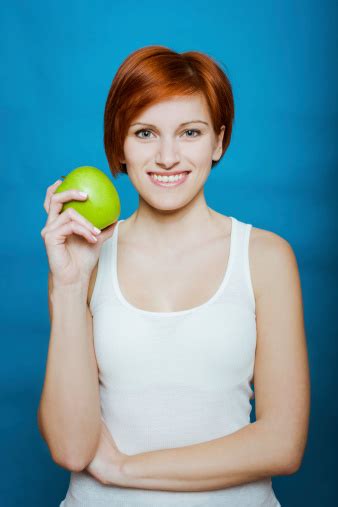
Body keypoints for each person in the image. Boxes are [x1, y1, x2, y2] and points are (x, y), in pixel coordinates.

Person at [38, 45, 310, 507]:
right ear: (119, 145)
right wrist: (66, 286)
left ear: (218, 142)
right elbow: (70, 447)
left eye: (190, 132)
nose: (167, 156)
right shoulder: (84, 259)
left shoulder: (265, 257)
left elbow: (282, 444)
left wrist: (124, 468)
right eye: (145, 133)